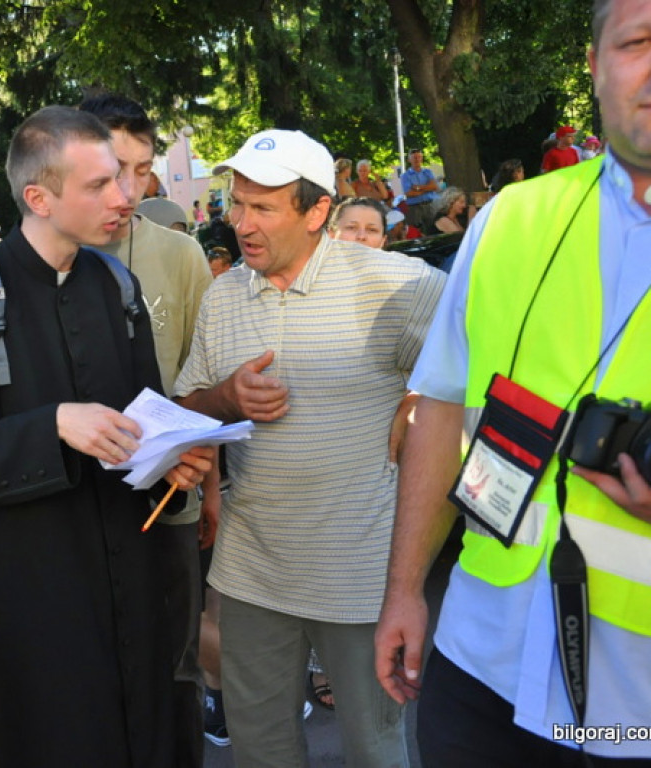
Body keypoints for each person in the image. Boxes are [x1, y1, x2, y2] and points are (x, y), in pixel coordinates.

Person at [374, 0, 651, 763]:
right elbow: (440, 404)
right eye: (638, 41)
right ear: (594, 67)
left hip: (635, 697)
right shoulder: (509, 220)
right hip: (481, 657)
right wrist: (404, 589)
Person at [0, 105, 212, 768]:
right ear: (38, 198)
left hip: (140, 585)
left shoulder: (117, 285)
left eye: (123, 179)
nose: (125, 197)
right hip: (38, 599)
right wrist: (52, 425)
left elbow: (145, 421)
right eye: (100, 186)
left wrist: (175, 459)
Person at [174, 127, 446, 768]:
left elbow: (479, 378)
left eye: (263, 207)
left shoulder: (397, 285)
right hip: (251, 577)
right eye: (237, 203)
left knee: (375, 752)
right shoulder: (221, 298)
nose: (241, 223)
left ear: (317, 210)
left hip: (360, 579)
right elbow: (185, 413)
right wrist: (223, 400)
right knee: (262, 753)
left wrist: (417, 402)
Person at [78, 92, 215, 768]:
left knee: (174, 674)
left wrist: (208, 483)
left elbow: (198, 383)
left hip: (170, 504)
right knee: (93, 680)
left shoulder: (181, 256)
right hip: (77, 508)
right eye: (113, 170)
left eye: (142, 170)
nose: (129, 190)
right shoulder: (51, 255)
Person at [400, 148, 439, 231]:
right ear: (409, 160)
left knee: (433, 230)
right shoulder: (405, 176)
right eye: (414, 157)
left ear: (422, 158)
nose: (417, 159)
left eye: (419, 157)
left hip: (430, 206)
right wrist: (428, 188)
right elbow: (409, 193)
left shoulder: (428, 172)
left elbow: (435, 187)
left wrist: (418, 188)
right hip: (415, 209)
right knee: (417, 233)